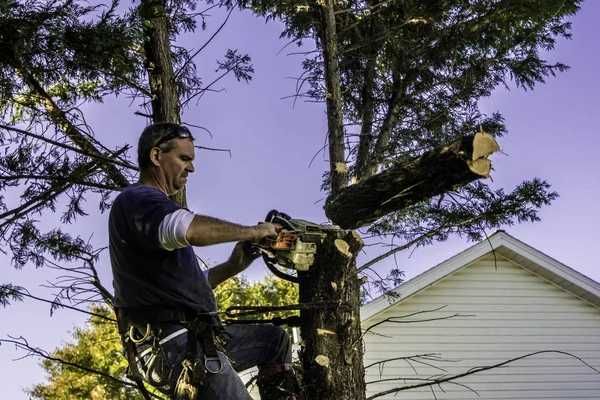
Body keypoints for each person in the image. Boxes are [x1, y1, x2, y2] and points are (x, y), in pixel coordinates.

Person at [109, 122, 301, 400]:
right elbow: (189, 229)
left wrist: (231, 266)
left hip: (194, 339)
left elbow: (185, 289)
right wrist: (254, 231)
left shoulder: (150, 212)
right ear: (156, 156)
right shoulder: (139, 199)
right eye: (184, 159)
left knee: (274, 341)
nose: (191, 168)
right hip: (174, 344)